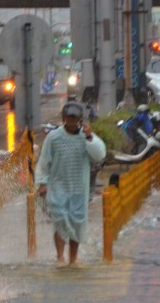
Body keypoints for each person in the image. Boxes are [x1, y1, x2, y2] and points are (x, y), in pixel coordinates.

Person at [35, 101, 106, 266]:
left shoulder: (87, 137)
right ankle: (60, 257)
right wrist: (42, 183)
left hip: (79, 188)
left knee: (77, 223)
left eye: (75, 118)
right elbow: (44, 161)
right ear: (64, 119)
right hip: (58, 186)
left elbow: (99, 155)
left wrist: (89, 137)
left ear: (80, 120)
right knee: (60, 220)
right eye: (69, 118)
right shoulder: (54, 137)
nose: (72, 122)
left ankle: (73, 259)